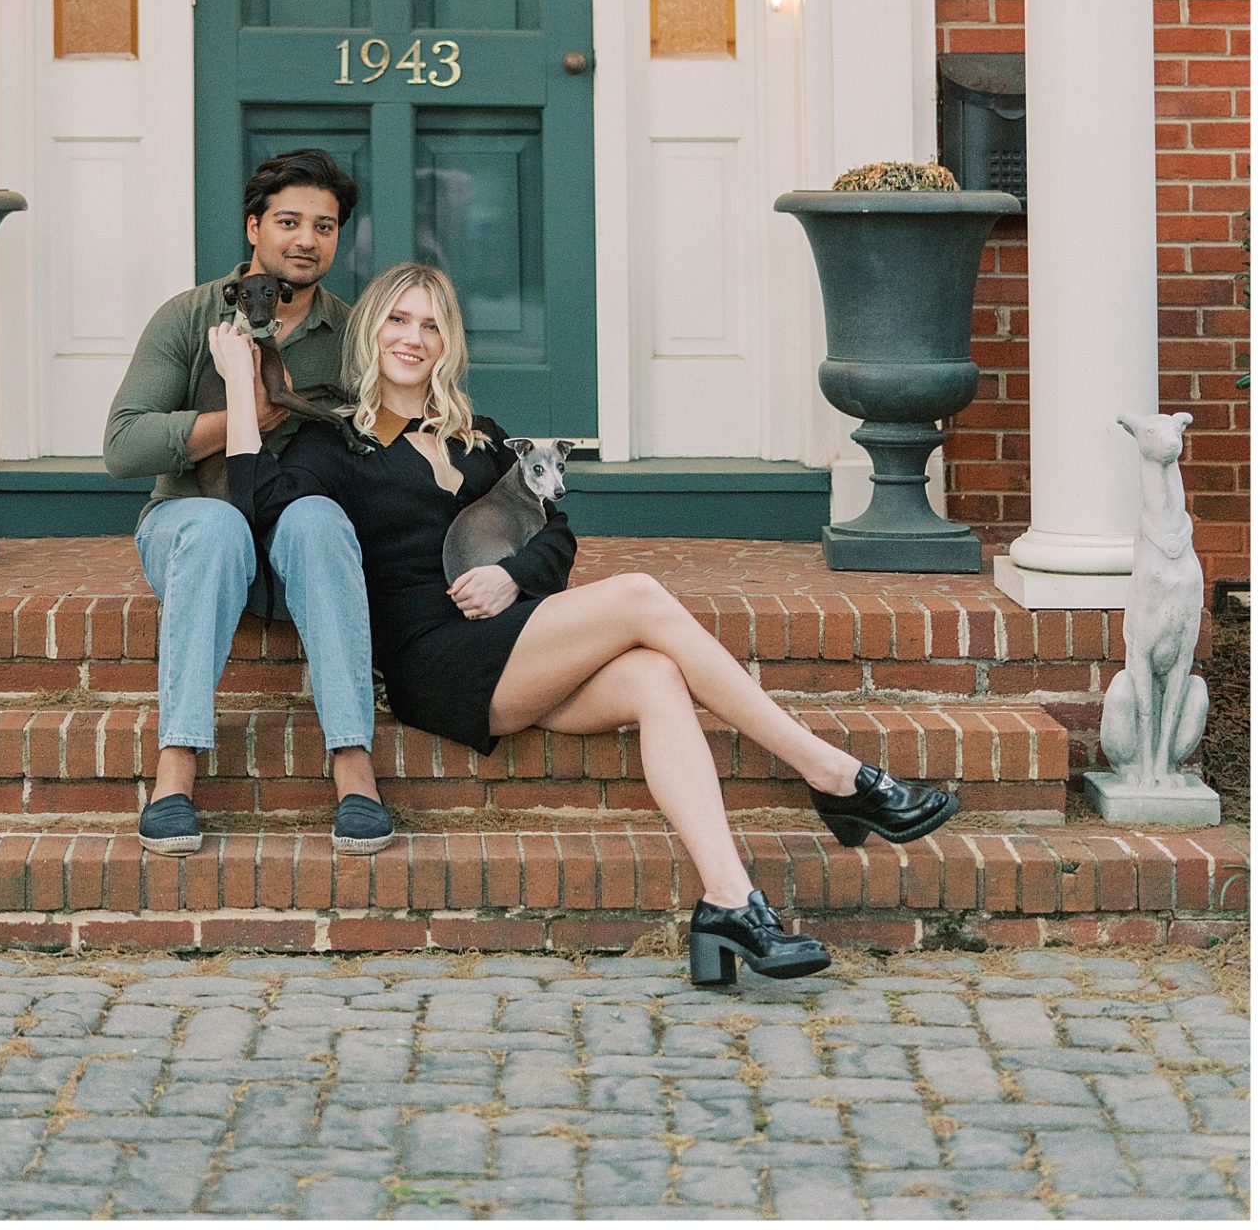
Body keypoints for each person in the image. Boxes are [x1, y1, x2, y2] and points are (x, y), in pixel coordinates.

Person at [211, 260, 960, 982]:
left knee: (656, 677)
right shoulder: (333, 442)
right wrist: (242, 390)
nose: (412, 338)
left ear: (449, 343)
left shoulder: (480, 439)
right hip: (432, 658)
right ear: (370, 330)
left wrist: (511, 576)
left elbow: (556, 537)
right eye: (398, 321)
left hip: (514, 638)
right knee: (638, 597)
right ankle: (831, 773)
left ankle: (729, 902)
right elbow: (260, 512)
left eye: (431, 326)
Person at [103, 149, 393, 855]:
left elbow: (387, 440)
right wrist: (240, 416)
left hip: (295, 528)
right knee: (214, 527)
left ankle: (354, 767)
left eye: (324, 227)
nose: (306, 239)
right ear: (253, 227)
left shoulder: (353, 333)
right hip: (193, 520)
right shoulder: (190, 316)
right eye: (289, 221)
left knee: (323, 520)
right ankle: (176, 769)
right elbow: (124, 446)